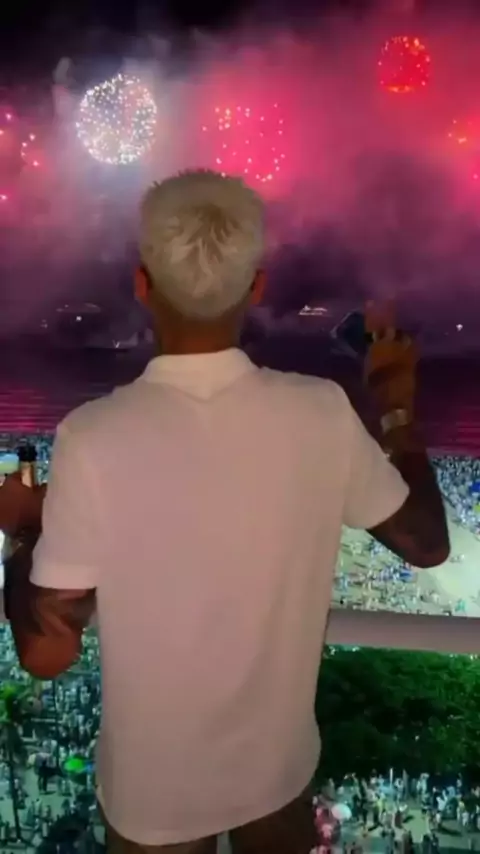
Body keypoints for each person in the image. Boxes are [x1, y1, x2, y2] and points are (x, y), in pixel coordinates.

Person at [0, 169, 449, 854]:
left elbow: (45, 654)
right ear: (256, 286)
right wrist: (395, 407)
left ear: (142, 284)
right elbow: (426, 543)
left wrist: (23, 528)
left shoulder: (95, 437)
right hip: (277, 774)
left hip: (154, 790)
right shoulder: (320, 413)